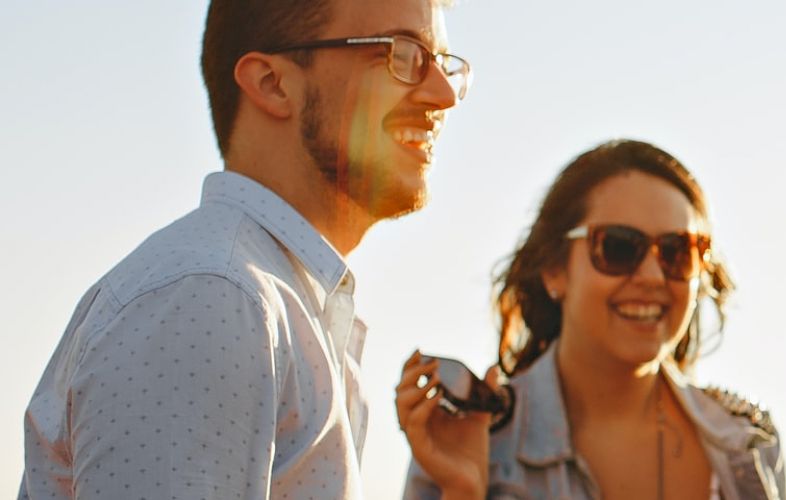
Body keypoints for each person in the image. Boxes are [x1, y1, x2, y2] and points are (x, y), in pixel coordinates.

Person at [20, 0, 467, 497]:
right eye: (402, 54)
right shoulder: (212, 297)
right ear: (272, 83)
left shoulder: (273, 304)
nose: (444, 94)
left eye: (445, 63)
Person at [397, 140, 786, 500]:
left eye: (677, 252)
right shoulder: (475, 440)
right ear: (554, 269)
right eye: (619, 247)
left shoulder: (747, 443)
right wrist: (463, 489)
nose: (652, 276)